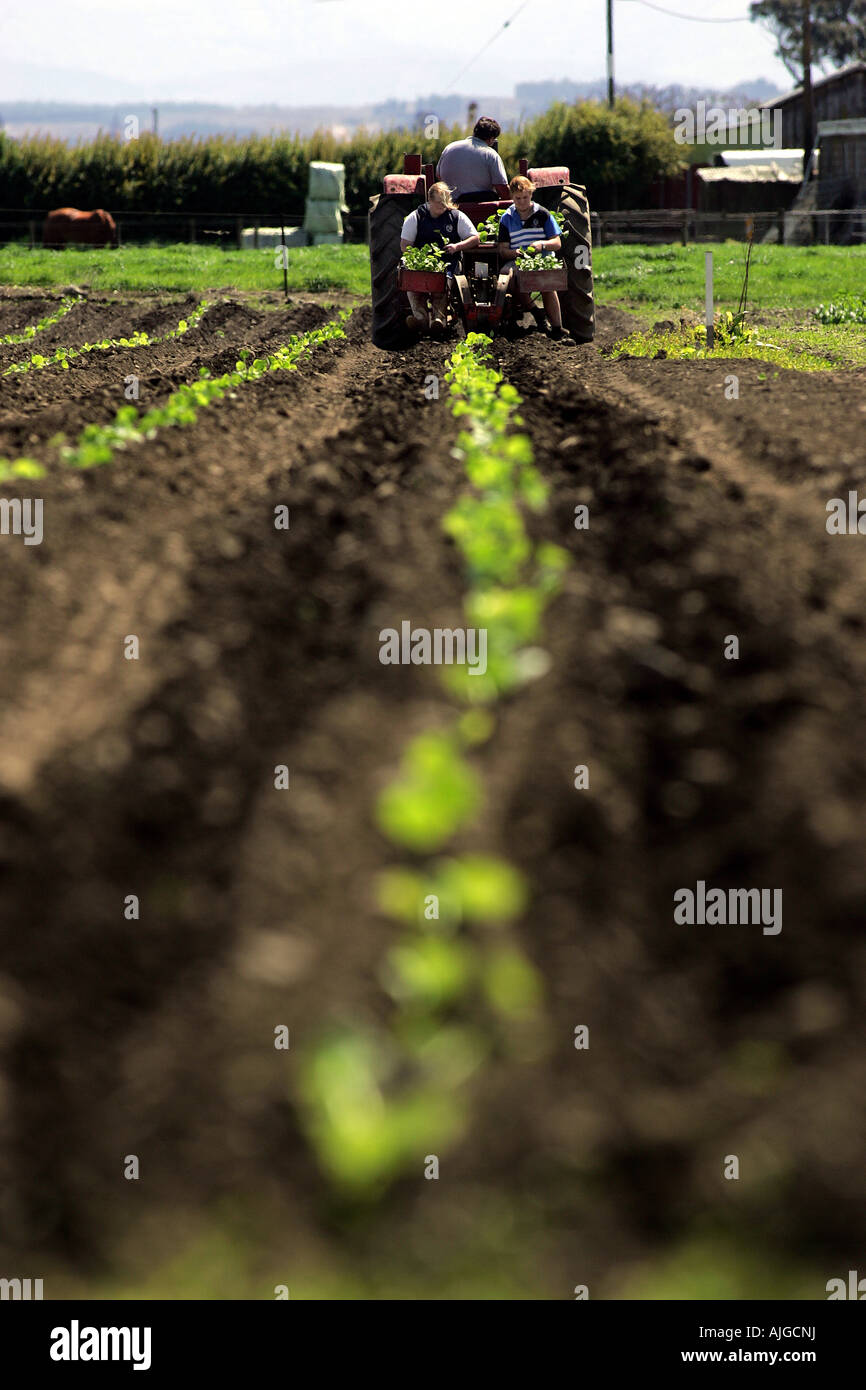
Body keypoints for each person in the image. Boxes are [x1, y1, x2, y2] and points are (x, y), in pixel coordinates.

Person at [400, 181, 480, 337]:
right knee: (413, 285)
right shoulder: (416, 217)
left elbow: (475, 238)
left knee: (441, 285)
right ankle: (420, 319)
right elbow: (405, 245)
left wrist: (457, 247)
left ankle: (439, 319)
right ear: (430, 200)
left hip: (447, 264)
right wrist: (418, 258)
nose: (443, 206)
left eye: (446, 202)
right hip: (421, 265)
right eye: (439, 203)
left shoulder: (456, 216)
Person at [498, 174, 566, 340]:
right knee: (508, 276)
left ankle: (557, 328)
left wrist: (541, 245)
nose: (522, 202)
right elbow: (503, 250)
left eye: (525, 197)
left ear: (531, 194)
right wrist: (515, 253)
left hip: (542, 258)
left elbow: (557, 243)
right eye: (518, 198)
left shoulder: (542, 214)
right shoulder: (506, 218)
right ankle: (537, 313)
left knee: (547, 283)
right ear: (512, 197)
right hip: (519, 260)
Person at [437, 117, 510, 201]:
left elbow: (439, 175)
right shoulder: (491, 155)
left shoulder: (449, 148)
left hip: (451, 206)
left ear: (475, 132)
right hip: (484, 209)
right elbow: (502, 189)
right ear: (491, 139)